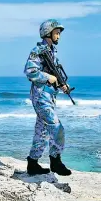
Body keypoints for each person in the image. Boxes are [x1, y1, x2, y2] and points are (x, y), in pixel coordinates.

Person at [23, 19, 72, 176]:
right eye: (56, 33)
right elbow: (30, 71)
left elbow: (56, 74)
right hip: (41, 95)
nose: (59, 36)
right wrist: (48, 77)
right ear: (48, 33)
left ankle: (33, 163)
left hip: (49, 96)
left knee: (41, 131)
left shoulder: (52, 52)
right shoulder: (37, 51)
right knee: (57, 128)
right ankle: (55, 161)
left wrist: (61, 84)